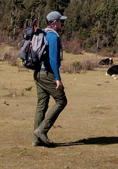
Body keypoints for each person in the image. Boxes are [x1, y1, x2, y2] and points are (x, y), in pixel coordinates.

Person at [33, 11, 68, 146]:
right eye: (60, 21)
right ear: (54, 22)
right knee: (61, 101)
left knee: (41, 104)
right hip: (48, 74)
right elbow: (53, 59)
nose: (61, 23)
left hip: (38, 74)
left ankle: (36, 140)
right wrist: (57, 78)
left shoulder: (43, 34)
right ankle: (41, 130)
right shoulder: (53, 37)